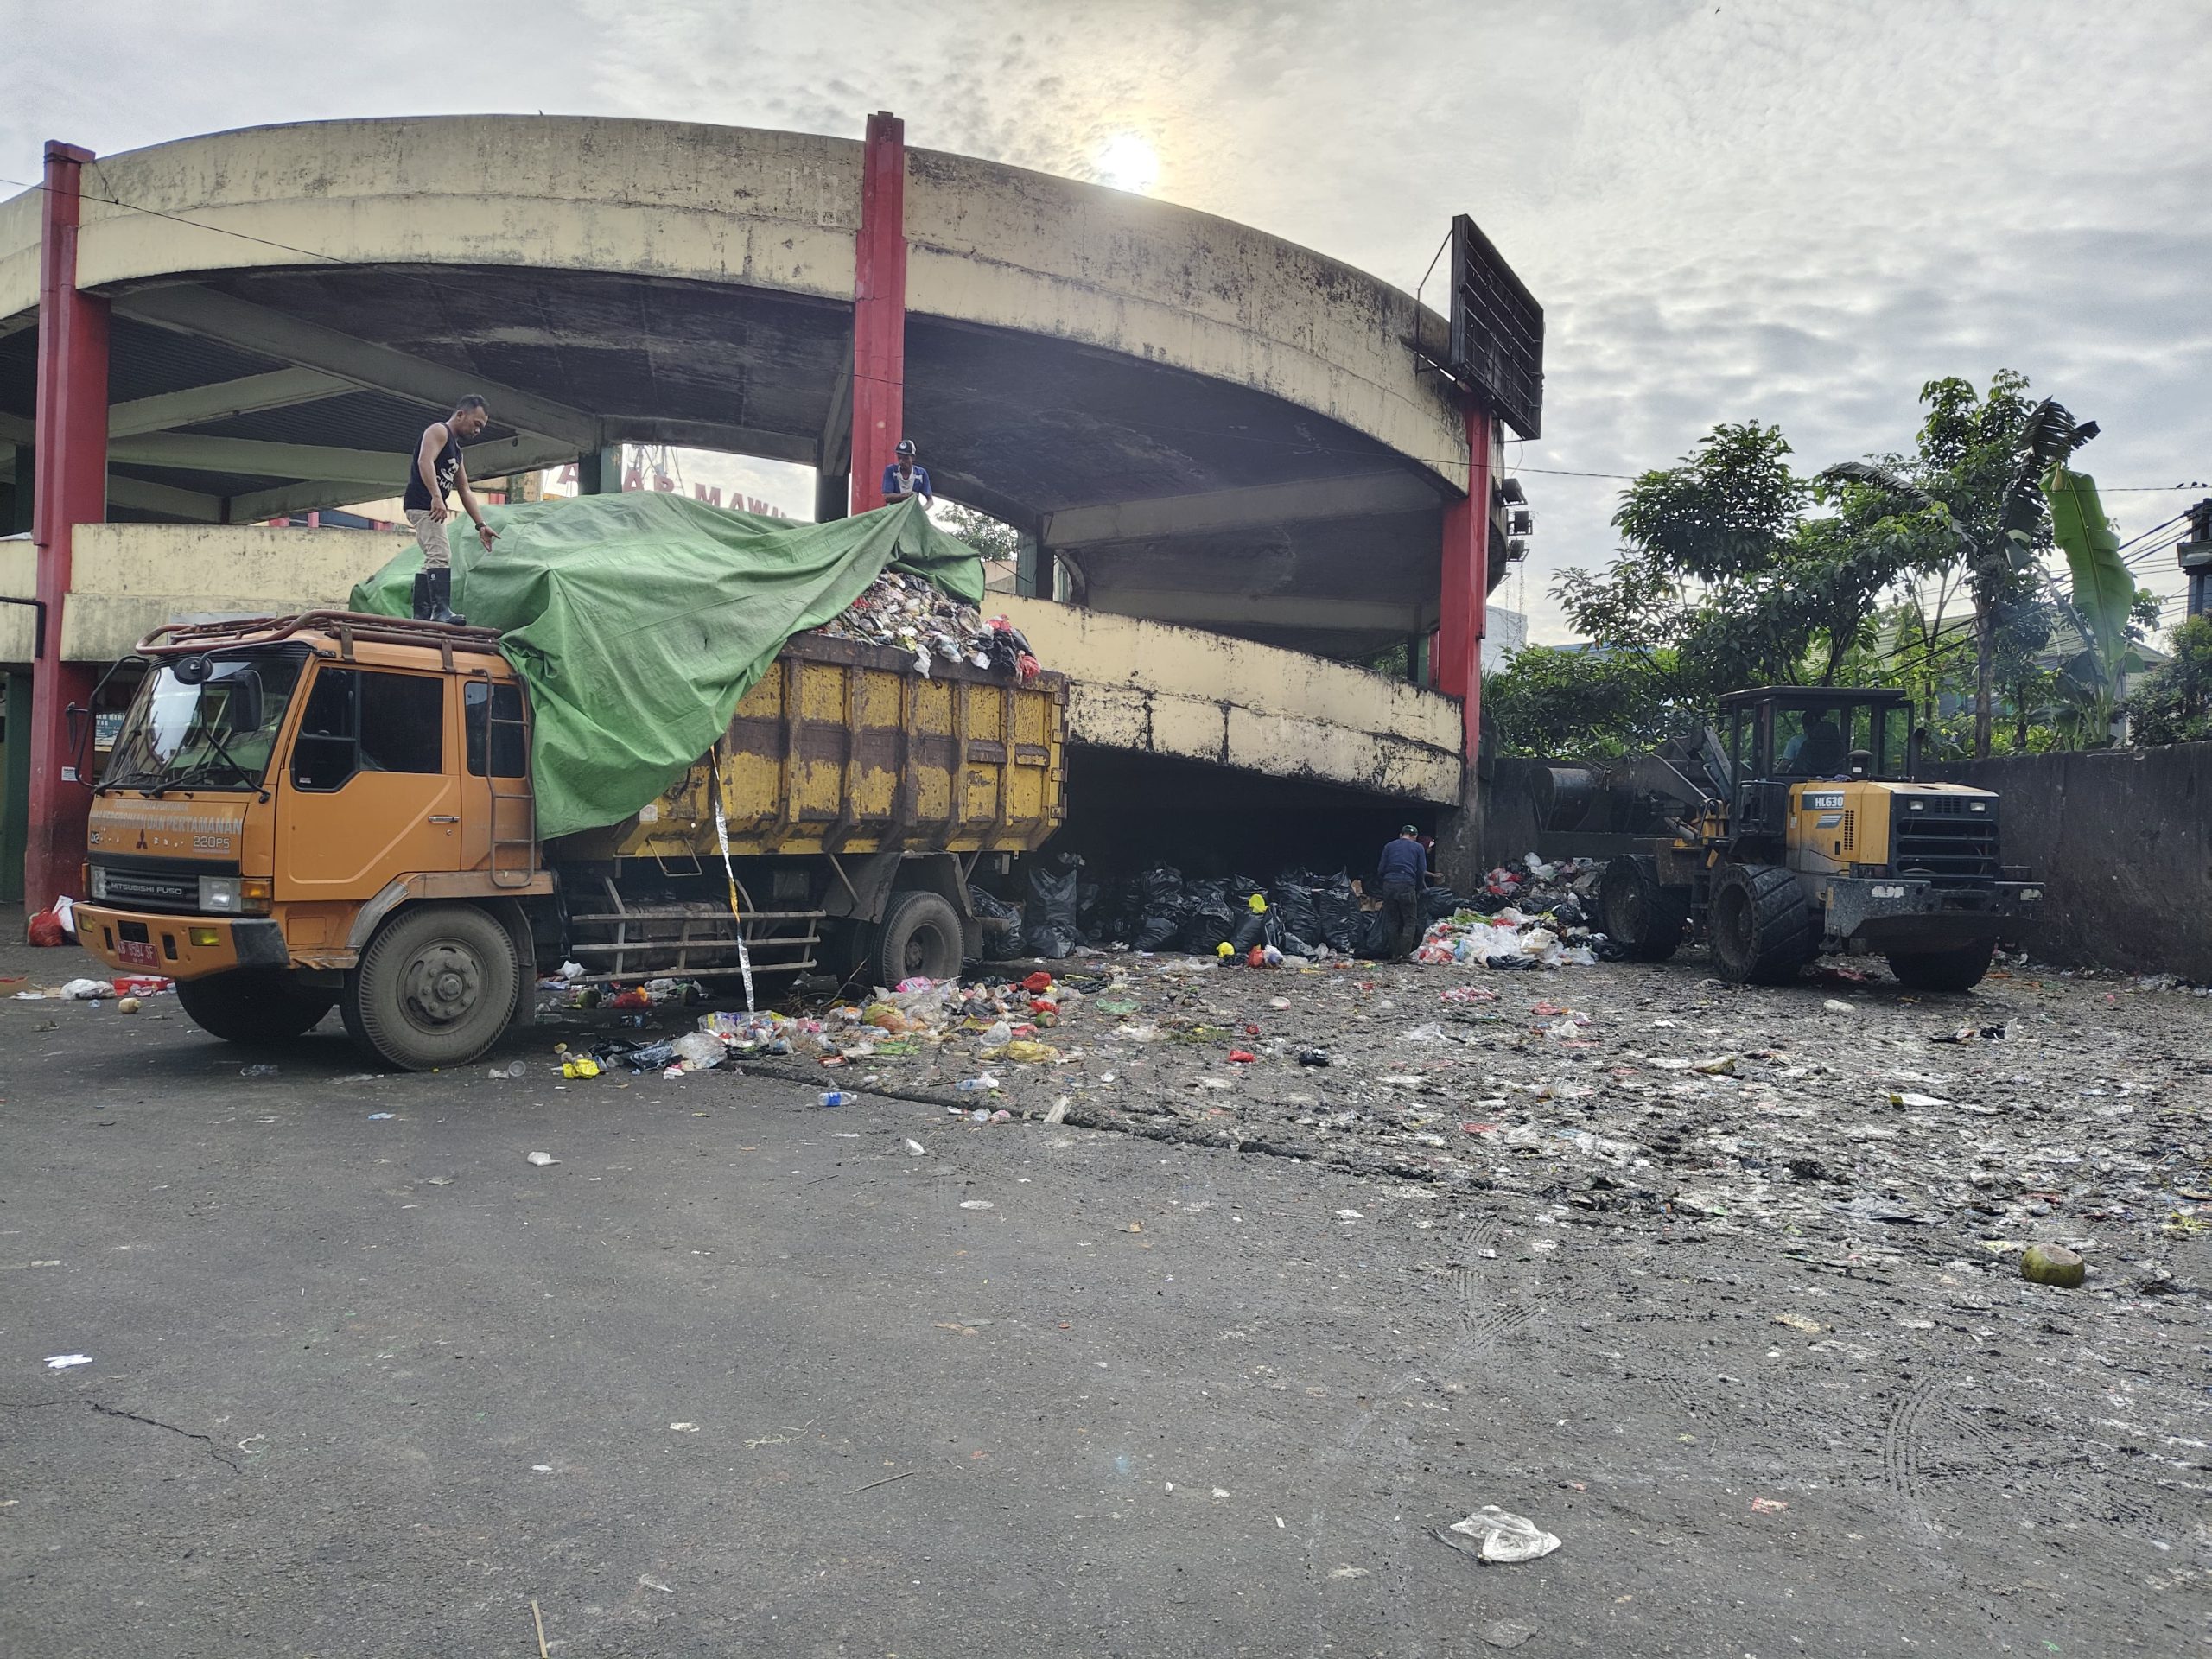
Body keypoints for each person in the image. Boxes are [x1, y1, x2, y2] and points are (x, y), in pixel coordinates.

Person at [404, 396, 499, 623]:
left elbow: (464, 489)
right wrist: (437, 497)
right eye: (476, 424)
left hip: (431, 506)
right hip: (424, 504)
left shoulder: (456, 451)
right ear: (460, 415)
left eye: (481, 427)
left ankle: (422, 613)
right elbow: (424, 462)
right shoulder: (439, 431)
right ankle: (440, 611)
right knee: (441, 554)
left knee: (433, 557)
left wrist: (481, 525)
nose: (478, 431)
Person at [1376, 824, 1427, 959]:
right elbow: (1421, 871)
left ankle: (1394, 954)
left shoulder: (1389, 846)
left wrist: (1387, 882)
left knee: (1392, 920)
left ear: (1401, 835)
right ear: (1415, 837)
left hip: (1389, 885)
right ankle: (1405, 954)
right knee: (1409, 920)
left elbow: (1381, 869)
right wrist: (1417, 889)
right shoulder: (1418, 848)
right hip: (1406, 885)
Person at [1782, 709, 1846, 776]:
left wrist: (1775, 772)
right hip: (1836, 782)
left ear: (1804, 726)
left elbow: (1786, 763)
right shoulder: (1839, 746)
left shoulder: (1798, 741)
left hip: (1802, 780)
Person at [880, 438, 934, 507]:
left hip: (911, 513)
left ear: (913, 458)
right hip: (893, 513)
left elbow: (930, 501)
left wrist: (922, 511)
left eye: (906, 458)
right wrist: (905, 496)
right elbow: (887, 496)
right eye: (899, 458)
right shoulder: (891, 471)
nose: (901, 462)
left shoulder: (921, 474)